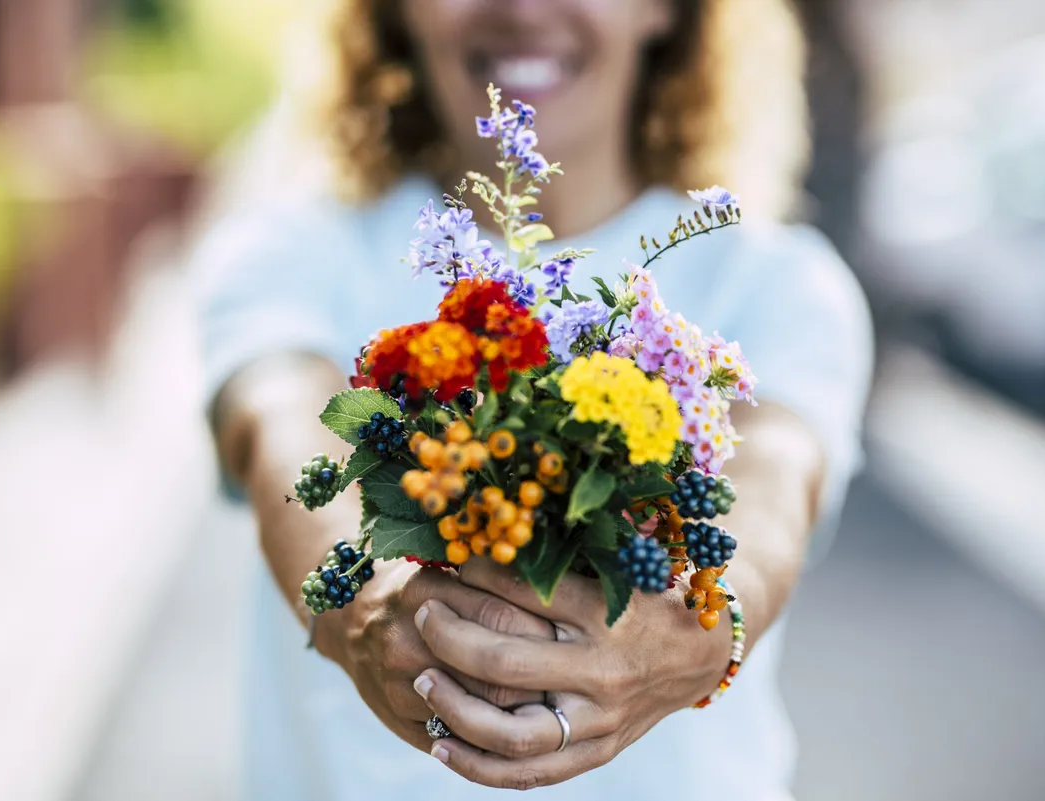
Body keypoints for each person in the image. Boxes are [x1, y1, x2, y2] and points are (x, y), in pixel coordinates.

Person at [192, 1, 873, 798]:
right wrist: (368, 604)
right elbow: (279, 422)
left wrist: (705, 627)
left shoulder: (777, 284)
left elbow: (770, 485)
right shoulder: (290, 252)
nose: (520, 9)